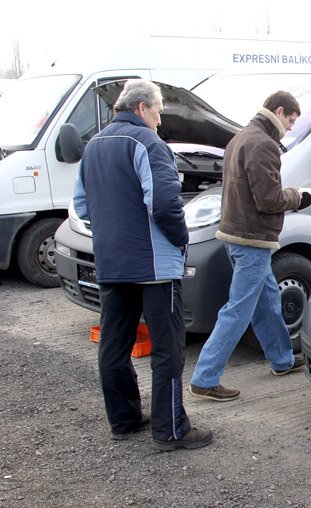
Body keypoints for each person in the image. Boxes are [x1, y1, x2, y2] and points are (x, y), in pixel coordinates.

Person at [73, 79, 212, 451]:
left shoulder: (94, 146)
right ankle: (170, 430)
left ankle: (124, 420)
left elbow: (83, 206)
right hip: (154, 267)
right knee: (168, 348)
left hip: (111, 262)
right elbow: (165, 204)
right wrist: (181, 238)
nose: (160, 118)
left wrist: (113, 230)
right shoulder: (149, 144)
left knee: (114, 344)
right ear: (141, 108)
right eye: (158, 110)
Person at [189, 91, 311, 402]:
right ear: (280, 110)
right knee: (239, 308)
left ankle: (282, 360)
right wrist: (299, 197)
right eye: (291, 120)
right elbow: (269, 199)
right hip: (253, 239)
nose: (290, 127)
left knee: (267, 300)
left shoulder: (240, 139)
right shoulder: (264, 144)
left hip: (236, 234)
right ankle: (205, 377)